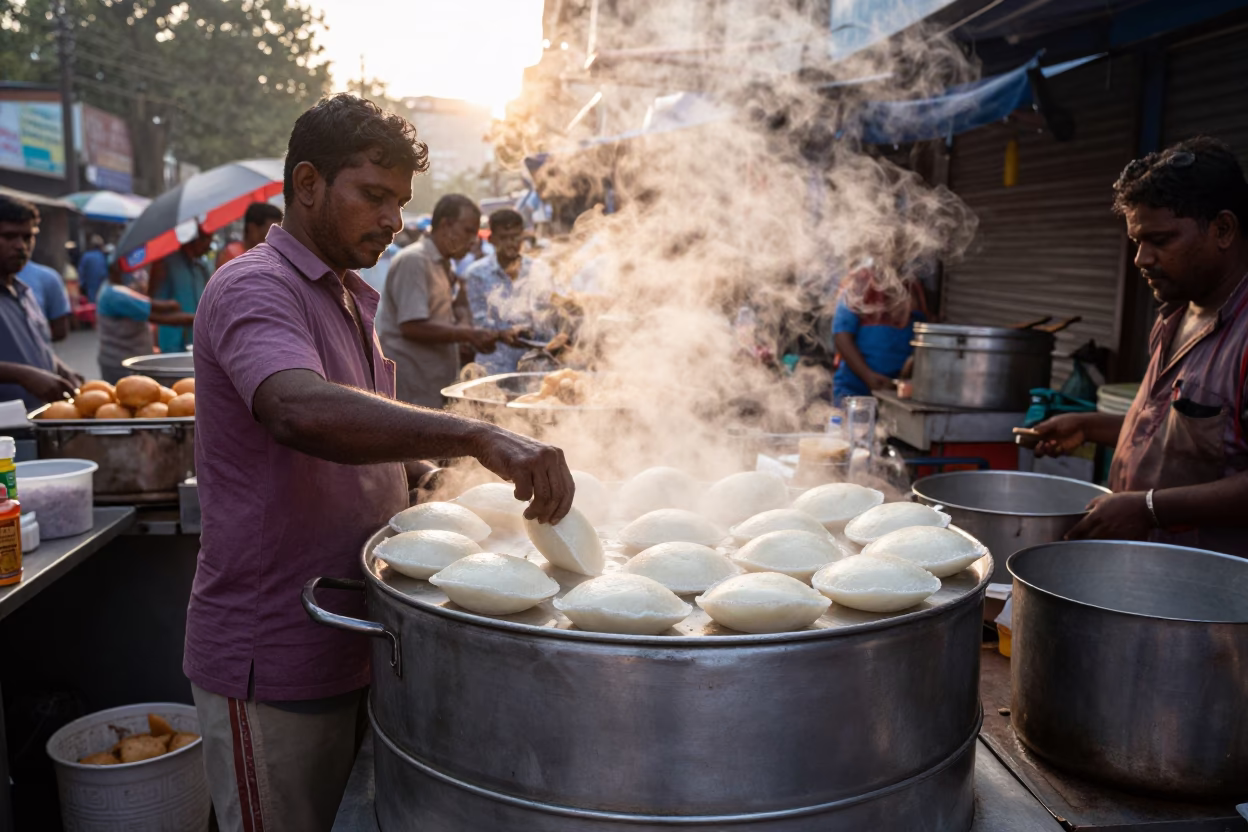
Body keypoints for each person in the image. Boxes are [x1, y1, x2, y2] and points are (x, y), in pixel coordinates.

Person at [186, 94, 574, 832]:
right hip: (273, 652)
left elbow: (364, 448)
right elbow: (295, 408)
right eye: (373, 196)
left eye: (400, 201)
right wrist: (474, 435)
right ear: (307, 184)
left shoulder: (341, 297)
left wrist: (434, 481)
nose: (394, 220)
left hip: (351, 630)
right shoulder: (254, 286)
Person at [1034, 137, 1248, 556]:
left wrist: (1148, 509)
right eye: (1136, 241)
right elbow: (1185, 436)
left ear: (1222, 229)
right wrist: (1091, 426)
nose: (1141, 259)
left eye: (1160, 240)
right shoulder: (1173, 316)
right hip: (1144, 576)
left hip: (1216, 599)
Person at [377, 194, 514, 407]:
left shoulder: (444, 265)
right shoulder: (415, 260)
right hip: (413, 386)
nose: (473, 241)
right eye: (468, 231)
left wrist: (465, 326)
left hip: (433, 382)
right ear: (446, 224)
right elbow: (412, 326)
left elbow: (446, 317)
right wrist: (469, 334)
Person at [0, 195, 82, 408]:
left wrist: (59, 368)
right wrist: (22, 375)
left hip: (36, 425)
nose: (21, 246)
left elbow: (31, 348)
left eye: (27, 237)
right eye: (9, 236)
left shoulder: (23, 292)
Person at [464, 209, 554, 374]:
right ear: (491, 239)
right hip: (493, 366)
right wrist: (500, 334)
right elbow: (478, 322)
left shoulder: (539, 270)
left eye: (515, 236)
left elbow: (547, 316)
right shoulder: (477, 274)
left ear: (523, 236)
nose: (511, 243)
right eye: (503, 238)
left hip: (534, 368)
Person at [830, 261, 929, 401]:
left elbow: (921, 336)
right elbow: (841, 337)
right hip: (854, 390)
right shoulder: (859, 284)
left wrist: (911, 364)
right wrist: (868, 375)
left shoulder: (912, 288)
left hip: (896, 392)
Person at [96, 261, 194, 383]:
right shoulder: (114, 295)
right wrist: (196, 319)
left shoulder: (118, 288)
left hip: (128, 356)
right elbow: (155, 312)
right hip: (120, 362)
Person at [149, 233, 211, 353]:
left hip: (196, 342)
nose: (208, 244)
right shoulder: (165, 262)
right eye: (205, 238)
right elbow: (154, 301)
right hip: (171, 343)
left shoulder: (201, 267)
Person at [17, 255, 72, 342]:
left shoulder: (47, 278)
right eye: (8, 240)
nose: (20, 245)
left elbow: (60, 330)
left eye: (26, 240)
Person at [216, 202, 284, 271]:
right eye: (271, 233)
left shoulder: (275, 257)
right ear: (253, 229)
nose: (277, 240)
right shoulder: (231, 256)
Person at [78, 234, 109, 302]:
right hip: (104, 287)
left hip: (90, 288)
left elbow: (81, 272)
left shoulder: (86, 256)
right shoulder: (105, 256)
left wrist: (82, 285)